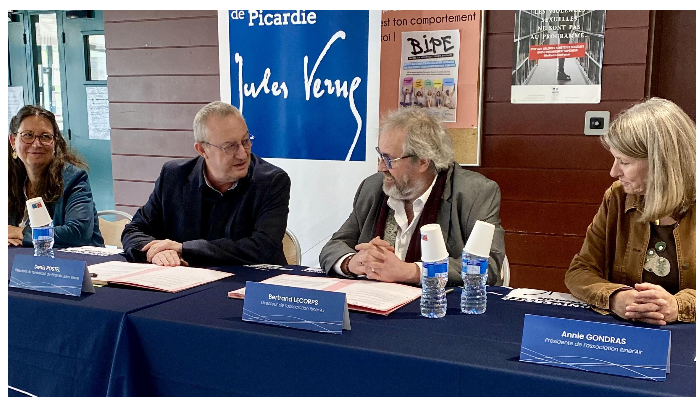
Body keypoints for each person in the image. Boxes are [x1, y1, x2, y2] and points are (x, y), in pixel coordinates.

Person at [319, 107, 505, 286]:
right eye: (380, 156)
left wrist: (410, 271)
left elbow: (489, 266)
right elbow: (334, 246)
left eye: (389, 159)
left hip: (440, 304)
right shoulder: (372, 188)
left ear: (423, 161)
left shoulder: (474, 193)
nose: (381, 167)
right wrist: (355, 262)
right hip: (377, 300)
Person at [565, 98, 695, 324]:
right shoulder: (617, 197)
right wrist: (615, 297)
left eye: (624, 162)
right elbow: (580, 271)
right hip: (627, 333)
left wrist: (678, 306)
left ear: (661, 164)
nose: (614, 172)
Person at [121, 101, 291, 267]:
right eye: (230, 146)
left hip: (251, 281)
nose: (242, 154)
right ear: (202, 150)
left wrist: (184, 249)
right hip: (185, 280)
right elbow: (134, 230)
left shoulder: (271, 181)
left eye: (245, 141)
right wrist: (158, 252)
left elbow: (262, 247)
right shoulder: (174, 176)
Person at [8, 105, 104, 247]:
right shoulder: (9, 178)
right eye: (27, 135)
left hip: (75, 259)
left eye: (45, 136)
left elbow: (77, 233)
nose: (36, 144)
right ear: (12, 141)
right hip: (24, 258)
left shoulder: (73, 178)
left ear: (55, 143)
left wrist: (20, 233)